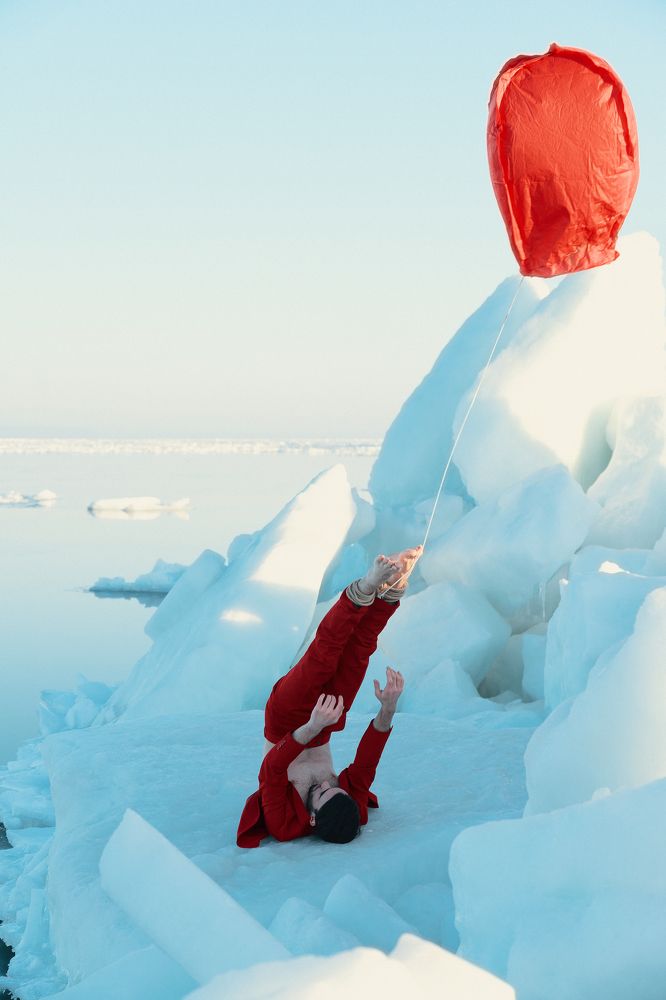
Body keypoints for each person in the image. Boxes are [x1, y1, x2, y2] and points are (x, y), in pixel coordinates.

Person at [236, 547, 422, 848]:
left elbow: (271, 770)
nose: (327, 783)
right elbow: (366, 763)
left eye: (321, 792)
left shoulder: (285, 823)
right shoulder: (350, 809)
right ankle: (393, 588)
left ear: (312, 818)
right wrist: (388, 709)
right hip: (325, 721)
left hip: (285, 720)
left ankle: (362, 589)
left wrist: (310, 727)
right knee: (358, 653)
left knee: (322, 658)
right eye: (334, 787)